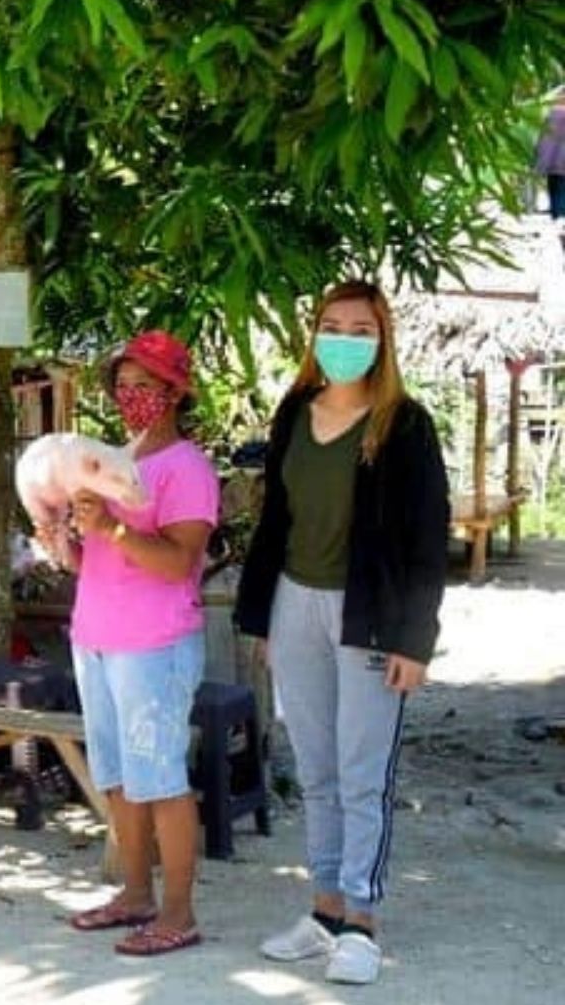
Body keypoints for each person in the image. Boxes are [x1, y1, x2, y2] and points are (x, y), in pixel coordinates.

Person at [235, 281, 449, 986]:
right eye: (333, 325)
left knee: (363, 776)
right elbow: (276, 523)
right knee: (318, 771)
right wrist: (262, 615)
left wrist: (415, 641)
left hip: (369, 618)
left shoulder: (405, 425)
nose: (346, 337)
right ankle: (323, 908)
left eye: (361, 326)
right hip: (296, 605)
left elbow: (426, 539)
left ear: (382, 337)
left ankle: (362, 919)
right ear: (315, 334)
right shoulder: (296, 411)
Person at [35, 331, 218, 957]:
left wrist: (111, 526)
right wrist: (65, 537)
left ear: (175, 392)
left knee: (161, 778)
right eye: (123, 386)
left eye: (146, 386)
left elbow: (177, 563)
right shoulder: (115, 458)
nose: (131, 397)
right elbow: (93, 564)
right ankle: (136, 894)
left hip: (155, 645)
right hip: (97, 638)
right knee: (118, 777)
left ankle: (178, 912)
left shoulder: (187, 468)